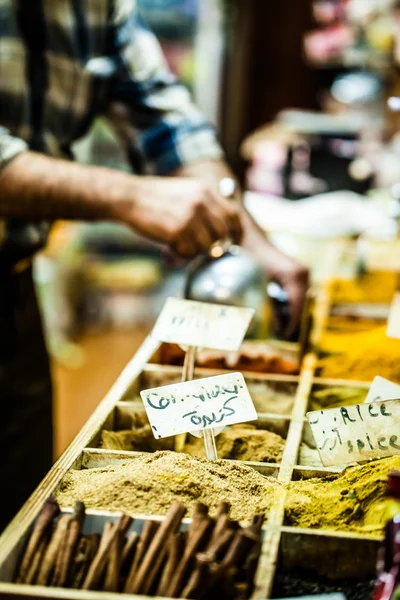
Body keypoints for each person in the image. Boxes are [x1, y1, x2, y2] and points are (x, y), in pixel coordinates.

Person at [0, 0, 309, 530]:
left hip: (12, 294)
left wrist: (247, 236)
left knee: (18, 513)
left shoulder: (96, 9)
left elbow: (169, 123)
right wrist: (130, 195)